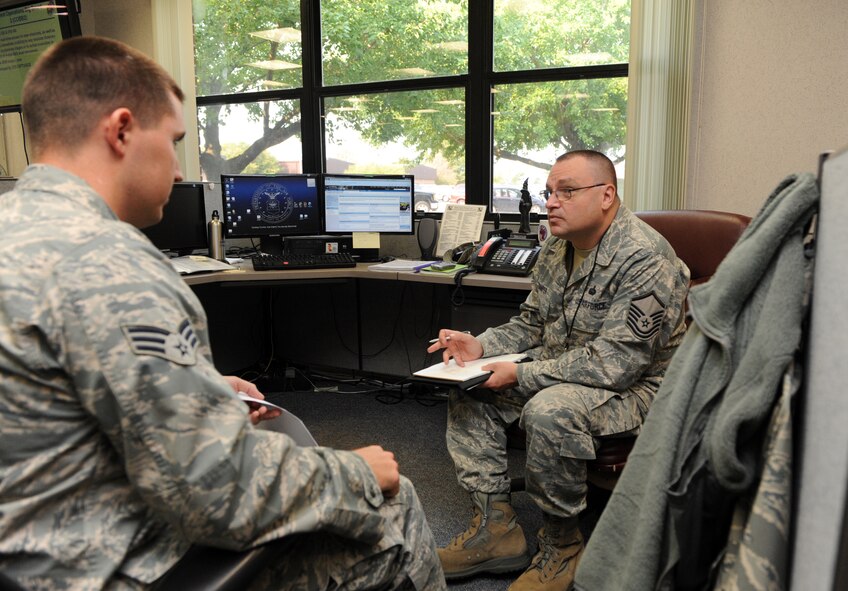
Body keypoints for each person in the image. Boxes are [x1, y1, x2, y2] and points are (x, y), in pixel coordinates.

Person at [0, 37, 444, 590]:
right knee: (395, 504)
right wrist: (356, 472)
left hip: (24, 546)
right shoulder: (109, 262)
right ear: (121, 130)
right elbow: (216, 492)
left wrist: (200, 389)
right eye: (173, 141)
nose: (178, 168)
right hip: (99, 567)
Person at [428, 150, 690, 591]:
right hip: (566, 368)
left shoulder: (646, 258)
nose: (551, 202)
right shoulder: (556, 247)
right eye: (549, 192)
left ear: (606, 195)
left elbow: (615, 363)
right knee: (471, 387)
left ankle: (563, 547)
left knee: (550, 411)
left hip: (640, 388)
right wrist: (482, 345)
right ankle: (496, 529)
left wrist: (521, 375)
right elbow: (533, 323)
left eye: (567, 191)